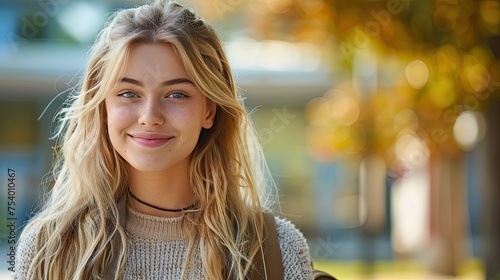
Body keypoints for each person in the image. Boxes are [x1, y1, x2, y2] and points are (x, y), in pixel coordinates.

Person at [14, 0, 313, 279]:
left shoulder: (277, 249)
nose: (149, 116)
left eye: (177, 94)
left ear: (209, 110)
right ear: (103, 107)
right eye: (128, 93)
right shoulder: (48, 248)